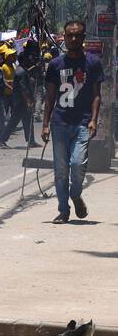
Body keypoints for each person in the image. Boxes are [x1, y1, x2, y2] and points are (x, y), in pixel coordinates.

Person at [42, 20, 105, 224]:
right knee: (61, 170)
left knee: (77, 164)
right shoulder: (55, 65)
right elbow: (50, 97)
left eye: (78, 35)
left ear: (83, 37)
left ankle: (76, 194)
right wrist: (45, 124)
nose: (74, 39)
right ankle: (63, 210)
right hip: (59, 123)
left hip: (83, 122)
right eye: (70, 35)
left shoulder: (93, 63)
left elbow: (96, 95)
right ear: (64, 37)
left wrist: (94, 120)